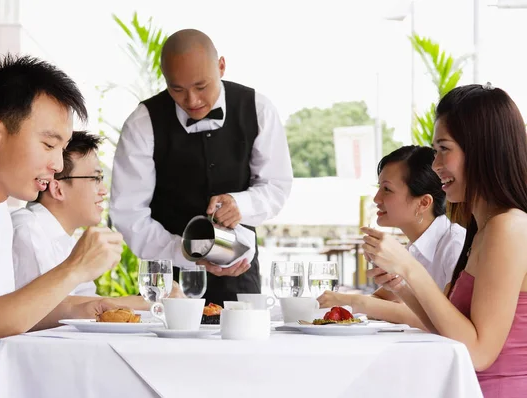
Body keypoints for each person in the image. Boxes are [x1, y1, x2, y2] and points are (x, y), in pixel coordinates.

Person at [0, 54, 126, 397]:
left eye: (62, 149)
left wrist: (101, 308)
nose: (56, 164)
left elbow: (10, 313)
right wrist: (73, 269)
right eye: (49, 145)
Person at [362, 83, 527, 397]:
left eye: (444, 149)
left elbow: (479, 353)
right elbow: (449, 327)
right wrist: (401, 284)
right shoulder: (483, 227)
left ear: (482, 150)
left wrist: (410, 268)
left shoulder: (509, 227)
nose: (435, 165)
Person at [110, 29, 293, 305]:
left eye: (201, 86)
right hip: (168, 283)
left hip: (240, 277)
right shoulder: (143, 123)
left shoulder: (258, 109)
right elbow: (129, 213)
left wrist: (240, 204)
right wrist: (183, 253)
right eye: (178, 89)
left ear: (221, 66)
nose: (192, 101)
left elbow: (276, 186)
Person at [317, 146, 466, 329]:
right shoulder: (415, 248)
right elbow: (381, 299)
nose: (376, 198)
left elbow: (443, 321)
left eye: (387, 189)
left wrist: (353, 300)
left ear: (423, 203)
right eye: (379, 188)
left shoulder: (455, 244)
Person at [11, 131, 151, 308]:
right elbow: (43, 309)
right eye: (95, 179)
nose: (103, 190)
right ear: (58, 189)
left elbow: (84, 300)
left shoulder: (67, 240)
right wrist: (144, 303)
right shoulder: (28, 230)